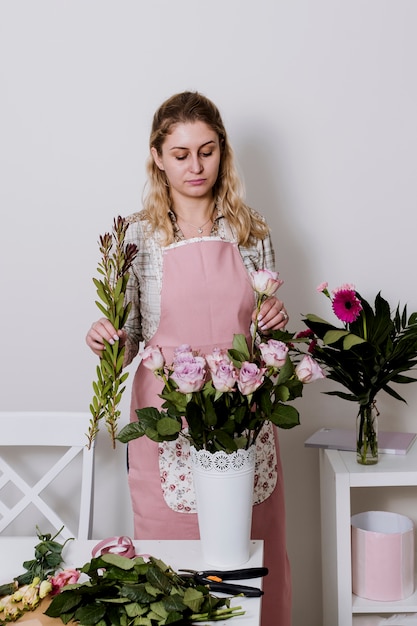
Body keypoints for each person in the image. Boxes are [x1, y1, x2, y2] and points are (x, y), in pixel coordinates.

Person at [86, 91, 291, 626]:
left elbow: (265, 334)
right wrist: (108, 337)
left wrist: (274, 322)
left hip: (242, 409)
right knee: (171, 560)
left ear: (222, 150)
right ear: (157, 156)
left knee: (249, 550)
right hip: (167, 414)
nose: (195, 166)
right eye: (180, 155)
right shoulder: (136, 235)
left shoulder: (251, 230)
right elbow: (131, 337)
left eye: (207, 151)